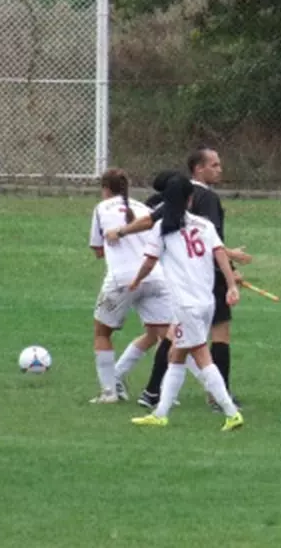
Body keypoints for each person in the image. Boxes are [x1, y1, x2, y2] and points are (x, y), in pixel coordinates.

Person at [106, 147, 252, 411]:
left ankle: (154, 396)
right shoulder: (205, 199)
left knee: (175, 341)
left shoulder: (170, 208)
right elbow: (212, 243)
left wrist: (122, 232)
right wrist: (230, 271)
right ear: (198, 169)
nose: (220, 169)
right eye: (215, 165)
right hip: (203, 284)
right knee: (210, 341)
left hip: (187, 290)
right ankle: (222, 402)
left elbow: (150, 222)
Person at [129, 174, 243, 431]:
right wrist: (232, 285)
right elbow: (221, 255)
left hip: (186, 304)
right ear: (190, 199)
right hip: (206, 301)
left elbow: (149, 262)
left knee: (202, 356)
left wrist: (136, 281)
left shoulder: (162, 228)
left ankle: (231, 412)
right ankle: (161, 413)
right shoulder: (204, 225)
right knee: (175, 355)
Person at [87, 169, 173, 403]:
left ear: (105, 189)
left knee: (102, 332)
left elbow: (97, 248)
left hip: (122, 279)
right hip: (155, 276)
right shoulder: (145, 209)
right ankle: (164, 391)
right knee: (166, 337)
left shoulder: (101, 208)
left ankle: (109, 392)